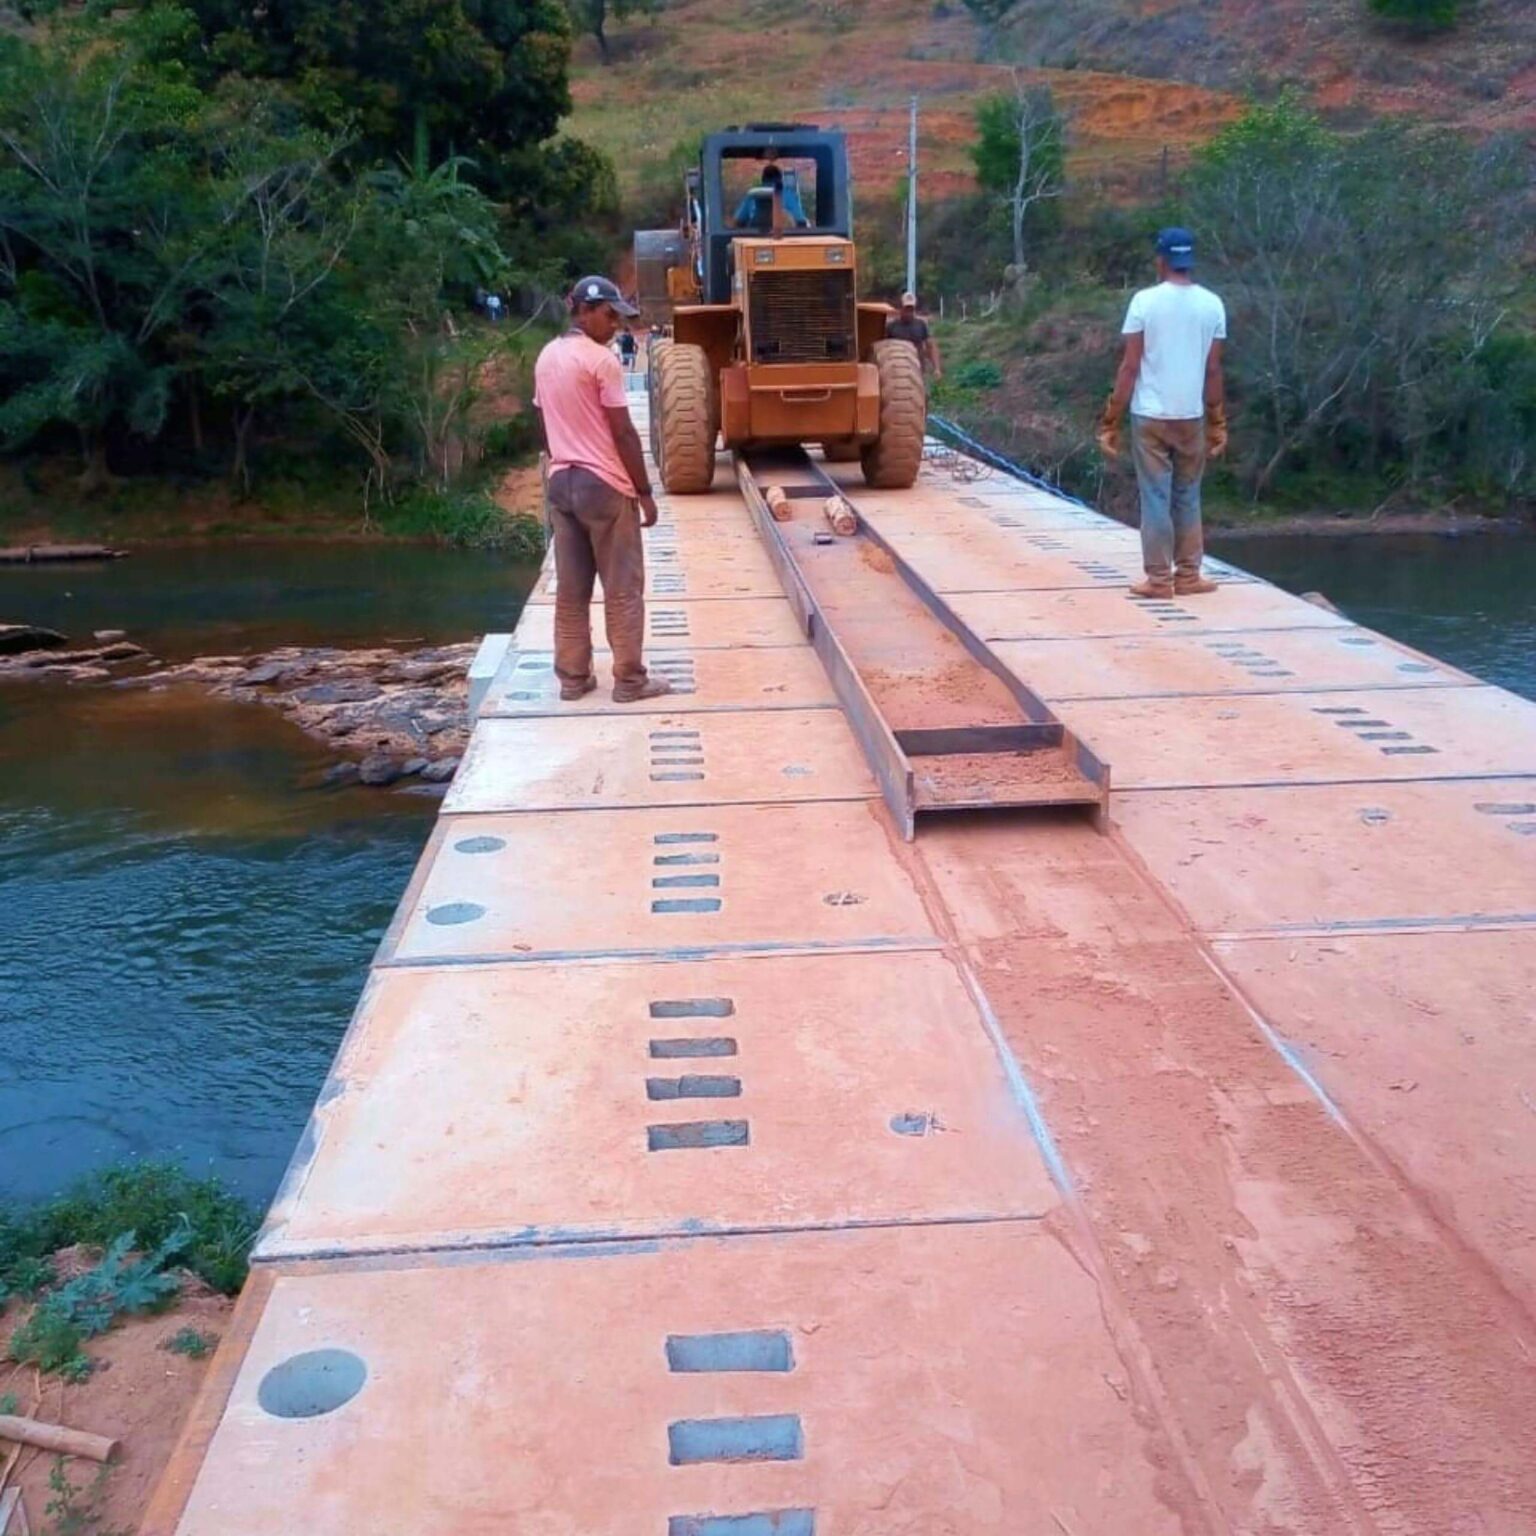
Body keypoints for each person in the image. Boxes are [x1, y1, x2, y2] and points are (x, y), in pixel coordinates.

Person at [532, 276, 671, 703]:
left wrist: (559, 456)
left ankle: (573, 679)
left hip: (562, 484)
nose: (615, 325)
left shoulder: (546, 356)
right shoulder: (601, 361)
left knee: (572, 591)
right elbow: (623, 432)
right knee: (623, 587)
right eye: (609, 315)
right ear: (585, 311)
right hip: (605, 486)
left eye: (619, 318)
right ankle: (630, 681)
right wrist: (644, 492)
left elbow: (542, 421)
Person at [1097, 227, 1228, 599]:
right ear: (1190, 261)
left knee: (1155, 496)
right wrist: (1217, 420)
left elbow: (1130, 366)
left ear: (1161, 259)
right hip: (1191, 416)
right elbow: (1214, 370)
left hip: (1150, 415)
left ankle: (1158, 580)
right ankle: (1188, 576)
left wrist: (1110, 421)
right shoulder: (1213, 304)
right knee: (1188, 495)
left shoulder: (1143, 302)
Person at [885, 292, 942, 382]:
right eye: (906, 309)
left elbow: (930, 346)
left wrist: (937, 369)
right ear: (901, 309)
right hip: (897, 369)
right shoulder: (892, 326)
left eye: (911, 309)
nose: (909, 312)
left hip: (917, 369)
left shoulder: (921, 325)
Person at [734, 163, 809, 230]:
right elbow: (801, 222)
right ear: (780, 179)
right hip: (783, 241)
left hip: (755, 240)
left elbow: (739, 222)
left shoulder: (752, 194)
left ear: (762, 179)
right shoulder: (788, 194)